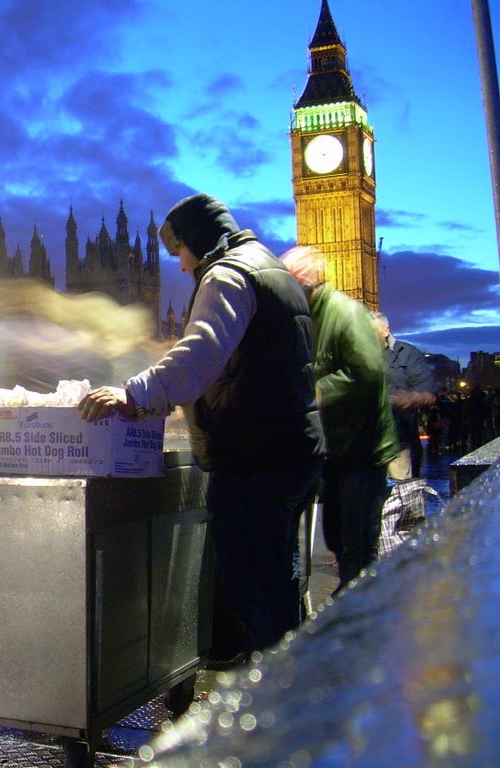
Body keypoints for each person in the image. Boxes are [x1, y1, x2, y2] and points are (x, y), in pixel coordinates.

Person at [78, 194, 325, 663]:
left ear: (197, 243)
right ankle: (294, 685)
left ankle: (284, 708)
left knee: (255, 590)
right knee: (280, 578)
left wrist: (135, 395)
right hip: (293, 450)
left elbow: (202, 351)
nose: (181, 267)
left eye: (180, 254)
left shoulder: (228, 273)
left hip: (257, 458)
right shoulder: (271, 268)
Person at [281, 247, 400, 593]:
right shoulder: (306, 319)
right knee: (335, 534)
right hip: (335, 451)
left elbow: (368, 371)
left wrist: (318, 391)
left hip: (364, 451)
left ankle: (360, 623)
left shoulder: (346, 314)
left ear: (308, 285)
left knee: (357, 542)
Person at [369, 311, 436, 478]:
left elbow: (427, 391)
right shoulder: (354, 355)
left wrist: (408, 399)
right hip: (362, 442)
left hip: (398, 439)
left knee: (401, 491)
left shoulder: (407, 354)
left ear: (386, 331)